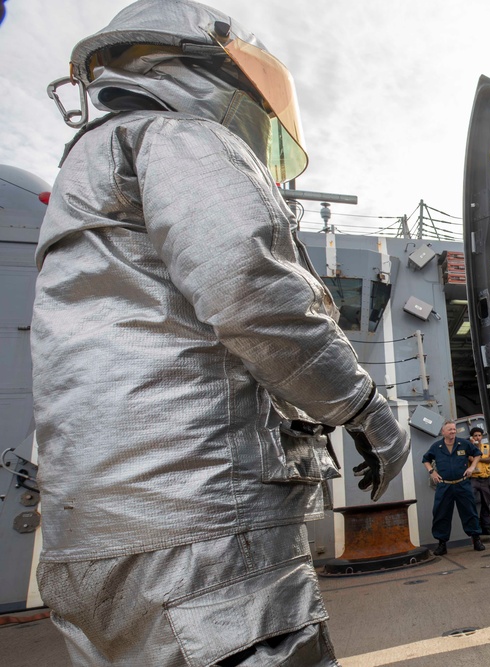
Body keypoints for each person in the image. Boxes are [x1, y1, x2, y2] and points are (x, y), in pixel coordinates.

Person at [31, 1, 409, 664]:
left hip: (89, 551)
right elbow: (255, 292)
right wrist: (367, 409)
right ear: (203, 64)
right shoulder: (181, 138)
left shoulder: (83, 174)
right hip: (203, 535)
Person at [422, 420, 486, 555]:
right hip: (444, 486)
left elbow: (478, 454)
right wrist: (432, 472)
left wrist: (472, 467)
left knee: (469, 512)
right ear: (443, 432)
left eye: (454, 429)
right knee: (441, 514)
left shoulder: (463, 444)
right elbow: (425, 460)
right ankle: (442, 544)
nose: (452, 431)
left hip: (462, 484)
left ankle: (476, 539)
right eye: (449, 429)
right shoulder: (437, 446)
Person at [468, 426, 490, 535]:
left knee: (486, 503)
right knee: (471, 503)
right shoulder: (469, 447)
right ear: (472, 437)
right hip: (474, 479)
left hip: (485, 479)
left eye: (479, 435)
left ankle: (486, 526)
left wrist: (479, 459)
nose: (478, 437)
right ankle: (475, 527)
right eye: (475, 436)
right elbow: (470, 459)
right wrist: (485, 459)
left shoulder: (485, 447)